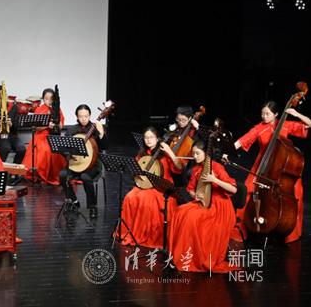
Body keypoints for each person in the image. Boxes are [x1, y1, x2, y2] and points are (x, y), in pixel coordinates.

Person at [223, 101, 310, 243]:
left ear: (276, 114)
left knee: (296, 190)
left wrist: (296, 114)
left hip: (281, 166)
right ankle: (243, 229)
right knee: (249, 190)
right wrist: (228, 151)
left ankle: (287, 231)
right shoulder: (259, 128)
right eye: (262, 114)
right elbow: (242, 141)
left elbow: (308, 124)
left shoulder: (285, 125)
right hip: (263, 165)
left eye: (267, 114)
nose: (264, 116)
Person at [168, 140, 238, 273]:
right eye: (193, 153)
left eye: (198, 153)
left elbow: (233, 189)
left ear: (206, 153)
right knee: (180, 211)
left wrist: (215, 180)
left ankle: (190, 258)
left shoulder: (217, 168)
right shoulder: (196, 169)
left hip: (219, 206)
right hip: (203, 201)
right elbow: (190, 189)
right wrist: (195, 195)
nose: (195, 156)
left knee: (191, 218)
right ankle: (178, 256)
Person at [119, 126, 183, 249]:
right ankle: (131, 232)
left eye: (151, 137)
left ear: (158, 138)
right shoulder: (143, 153)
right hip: (145, 185)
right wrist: (138, 174)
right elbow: (136, 168)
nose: (148, 140)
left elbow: (179, 168)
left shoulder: (165, 153)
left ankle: (146, 234)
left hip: (162, 187)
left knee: (145, 199)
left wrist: (170, 152)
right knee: (129, 197)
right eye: (146, 138)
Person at [58, 104, 109, 218]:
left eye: (86, 116)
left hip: (93, 165)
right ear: (77, 116)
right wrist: (70, 153)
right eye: (81, 116)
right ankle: (74, 201)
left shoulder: (96, 128)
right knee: (62, 175)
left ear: (90, 115)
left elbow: (105, 146)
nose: (84, 119)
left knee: (85, 177)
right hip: (76, 163)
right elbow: (63, 149)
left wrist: (101, 133)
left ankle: (92, 206)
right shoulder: (72, 130)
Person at [21, 88, 65, 185]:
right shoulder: (39, 109)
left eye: (51, 99)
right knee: (45, 149)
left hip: (53, 135)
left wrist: (57, 125)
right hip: (41, 135)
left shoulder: (57, 109)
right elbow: (36, 128)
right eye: (46, 99)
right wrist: (47, 125)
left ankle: (56, 175)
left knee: (59, 149)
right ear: (43, 99)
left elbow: (62, 124)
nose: (49, 101)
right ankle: (41, 174)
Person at [0, 84, 26, 164]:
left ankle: (14, 169)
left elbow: (17, 125)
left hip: (11, 135)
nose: (2, 97)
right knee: (6, 147)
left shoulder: (13, 107)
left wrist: (11, 124)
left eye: (4, 95)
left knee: (22, 149)